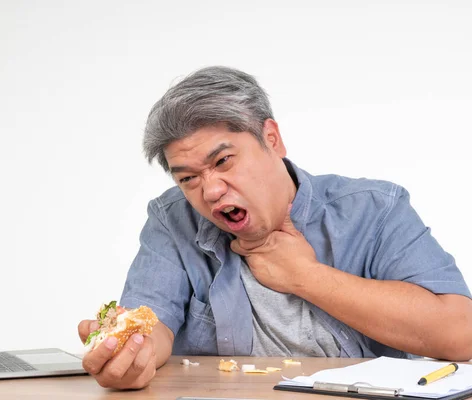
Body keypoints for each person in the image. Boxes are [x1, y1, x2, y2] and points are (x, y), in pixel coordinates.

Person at [77, 66, 472, 389]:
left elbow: (460, 333)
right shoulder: (172, 220)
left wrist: (305, 276)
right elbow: (153, 320)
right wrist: (133, 355)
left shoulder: (375, 210)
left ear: (272, 138)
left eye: (223, 161)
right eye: (187, 179)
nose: (211, 191)